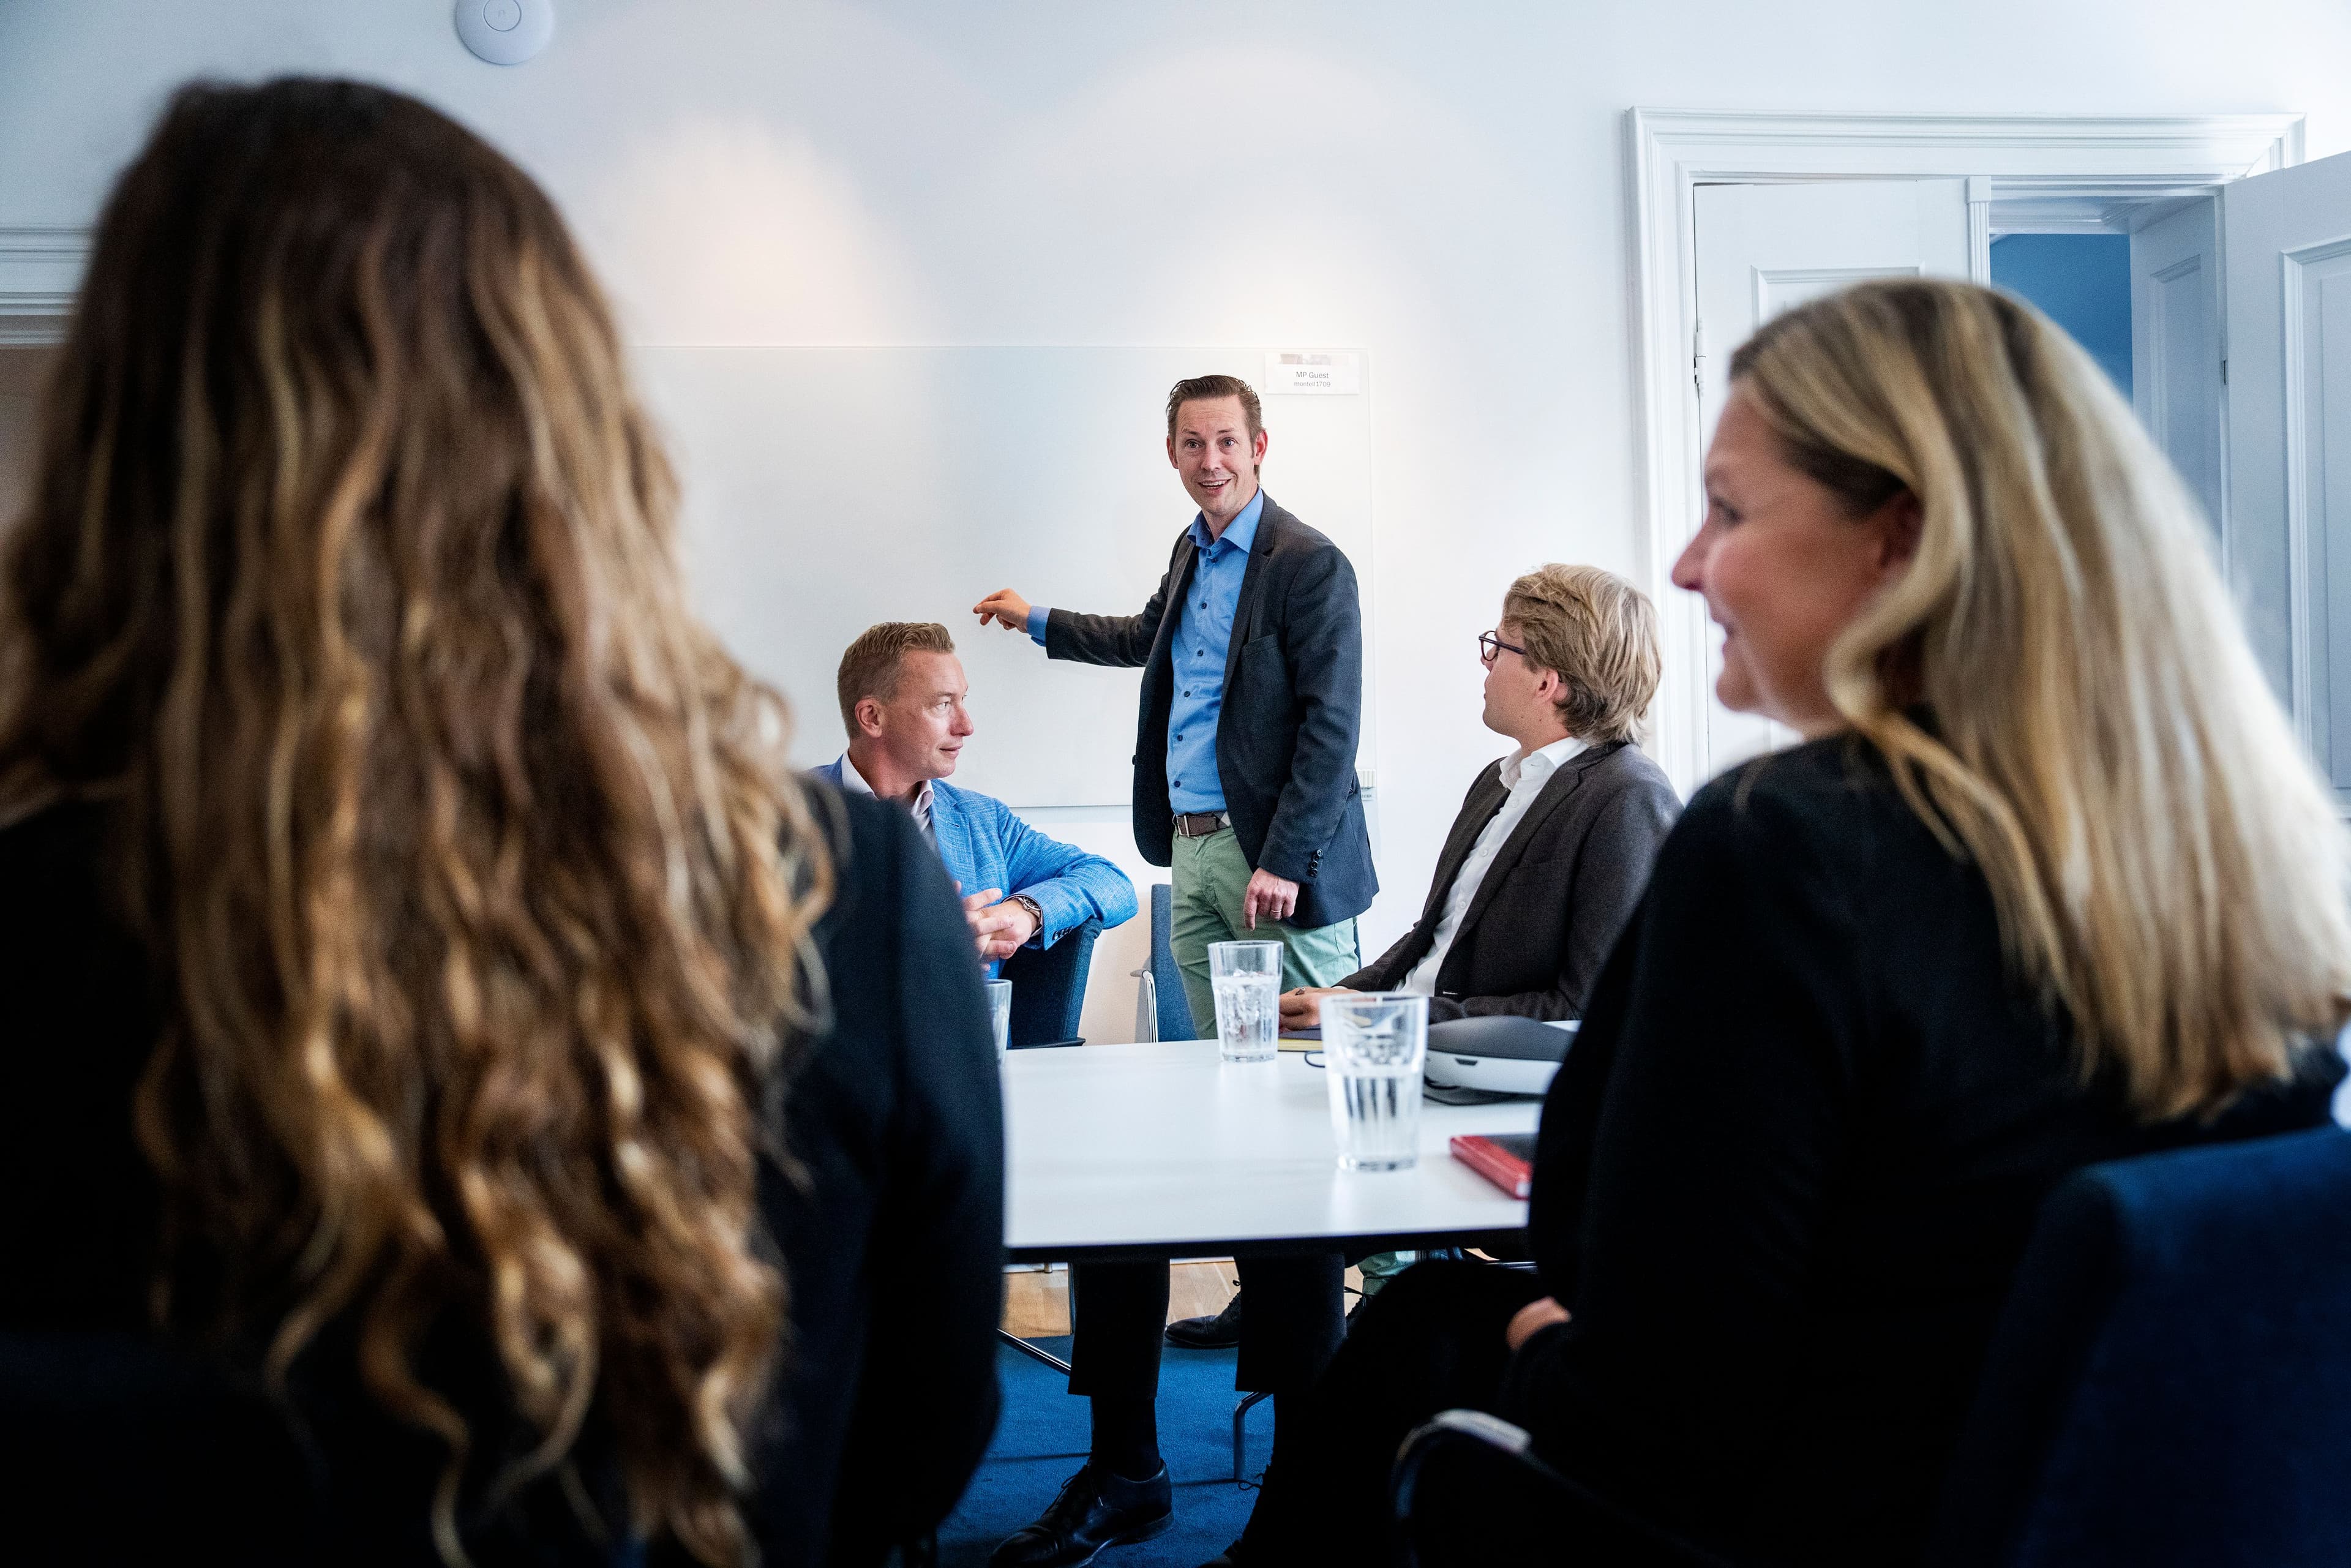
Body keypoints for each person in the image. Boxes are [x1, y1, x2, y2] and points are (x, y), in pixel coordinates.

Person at [0, 77, 1003, 1568]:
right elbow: (913, 1444)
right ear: (570, 443)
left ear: (121, 463)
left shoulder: (31, 924)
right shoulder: (834, 901)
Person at [1222, 277, 2351, 1568]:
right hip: (2071, 1509)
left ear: (1900, 540)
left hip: (1785, 1513)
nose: (1689, 564)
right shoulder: (2243, 854)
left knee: (1423, 1327)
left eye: (1731, 509)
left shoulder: (1790, 847)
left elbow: (1653, 1407)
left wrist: (1545, 1349)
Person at [970, 378, 1372, 1564]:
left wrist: (1285, 860)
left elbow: (1331, 723)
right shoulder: (1194, 550)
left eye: (1227, 442)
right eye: (1191, 443)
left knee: (1304, 1112)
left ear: (1261, 446)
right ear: (1170, 450)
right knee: (1223, 1101)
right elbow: (1151, 640)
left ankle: (1315, 1347)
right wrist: (1040, 620)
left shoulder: (1309, 562)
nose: (1209, 460)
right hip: (1193, 849)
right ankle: (1265, 1295)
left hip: (1269, 862)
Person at [1277, 563, 1677, 1032]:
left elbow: (1584, 1007)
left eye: (1499, 646)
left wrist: (1375, 1014)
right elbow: (1434, 939)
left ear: (1547, 682)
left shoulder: (1629, 798)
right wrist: (1348, 995)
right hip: (1401, 1041)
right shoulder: (1497, 781)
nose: (1486, 660)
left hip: (1472, 1070)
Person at [818, 621, 1136, 973]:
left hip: (962, 1026)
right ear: (873, 717)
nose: (966, 726)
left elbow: (1111, 882)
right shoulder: (782, 811)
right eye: (943, 704)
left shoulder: (981, 820)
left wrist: (1022, 911)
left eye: (962, 701)